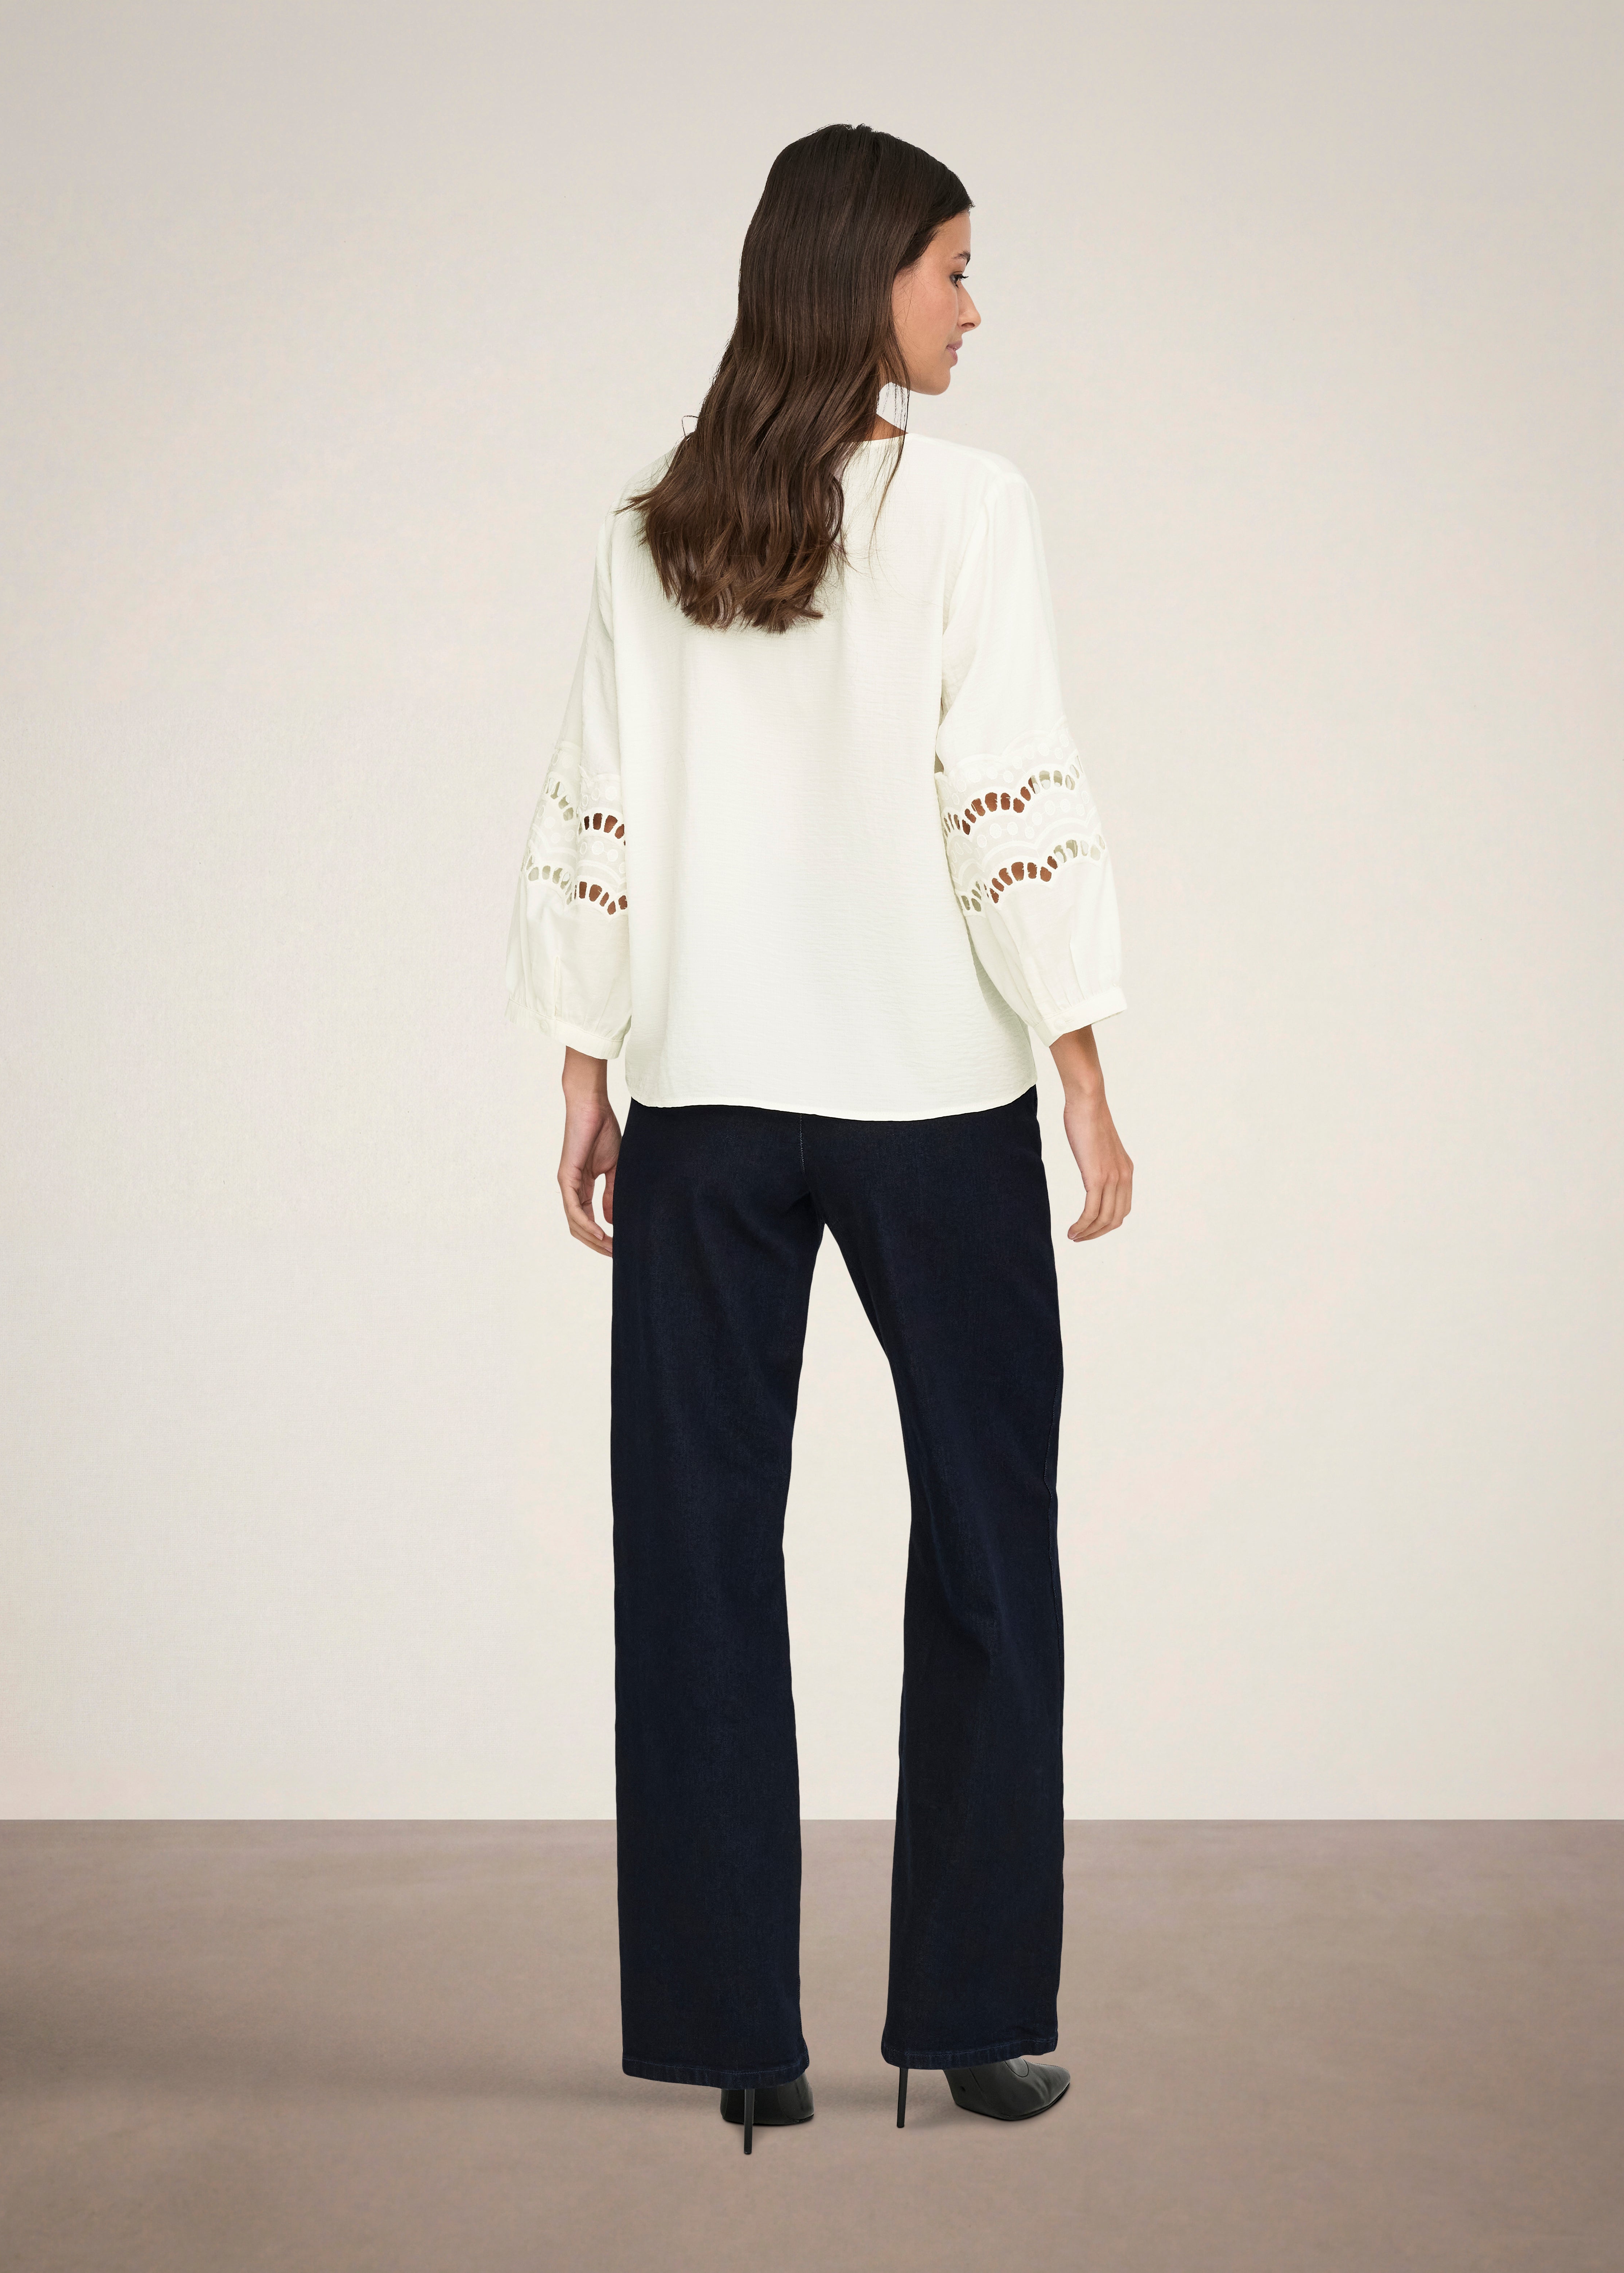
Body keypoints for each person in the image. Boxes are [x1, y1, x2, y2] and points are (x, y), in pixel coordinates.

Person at [505, 123, 1133, 2152]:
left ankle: (738, 2045)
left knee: (694, 1559)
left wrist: (589, 1066)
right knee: (991, 1544)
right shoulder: (969, 512)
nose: (974, 307)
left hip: (704, 1102)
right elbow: (1005, 791)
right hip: (933, 1104)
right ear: (863, 280)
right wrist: (1080, 1058)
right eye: (954, 267)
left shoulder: (655, 530)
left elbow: (598, 806)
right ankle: (974, 2019)